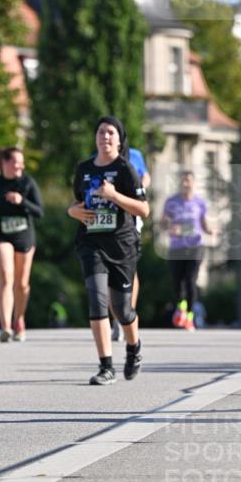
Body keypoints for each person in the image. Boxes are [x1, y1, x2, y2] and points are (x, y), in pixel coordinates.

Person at [67, 115, 149, 385]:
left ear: (119, 139)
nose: (105, 137)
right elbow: (77, 205)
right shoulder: (84, 169)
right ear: (95, 137)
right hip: (91, 243)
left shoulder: (126, 169)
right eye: (101, 132)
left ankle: (133, 347)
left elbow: (143, 209)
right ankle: (106, 366)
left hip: (122, 245)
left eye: (111, 133)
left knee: (123, 310)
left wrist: (114, 196)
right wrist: (72, 211)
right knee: (97, 298)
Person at [0, 147, 43, 342]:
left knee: (22, 283)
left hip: (24, 234)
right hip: (0, 234)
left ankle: (19, 319)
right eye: (17, 162)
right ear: (5, 163)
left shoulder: (27, 182)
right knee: (6, 279)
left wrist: (22, 201)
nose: (21, 166)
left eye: (22, 162)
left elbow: (39, 211)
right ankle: (6, 326)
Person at [161, 171, 213, 332]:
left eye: (188, 181)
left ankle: (189, 317)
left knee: (190, 280)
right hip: (177, 247)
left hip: (196, 246)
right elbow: (162, 223)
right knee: (177, 282)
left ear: (193, 183)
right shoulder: (171, 202)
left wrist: (210, 230)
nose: (185, 184)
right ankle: (181, 307)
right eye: (183, 181)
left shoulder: (200, 202)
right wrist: (171, 228)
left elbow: (204, 224)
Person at [111, 145, 151, 340]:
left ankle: (126, 315)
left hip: (132, 218)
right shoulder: (96, 159)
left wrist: (138, 188)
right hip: (108, 221)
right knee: (110, 273)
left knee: (129, 269)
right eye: (102, 133)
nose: (107, 138)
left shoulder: (135, 155)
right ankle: (116, 318)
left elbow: (146, 176)